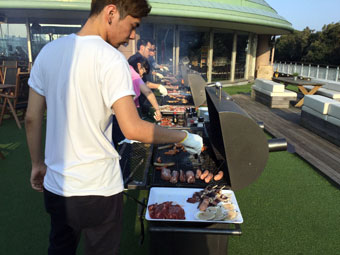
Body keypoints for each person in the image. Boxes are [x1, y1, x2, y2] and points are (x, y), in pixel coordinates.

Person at [25, 0, 203, 255]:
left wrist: (36, 164)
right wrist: (184, 136)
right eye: (132, 25)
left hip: (57, 188)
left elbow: (32, 117)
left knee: (59, 249)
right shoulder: (112, 59)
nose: (133, 35)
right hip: (99, 190)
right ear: (111, 13)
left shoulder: (48, 52)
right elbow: (132, 128)